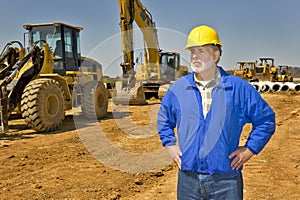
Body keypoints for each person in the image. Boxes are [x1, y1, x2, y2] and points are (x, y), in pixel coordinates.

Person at [157, 25, 276, 199]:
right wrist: (170, 145)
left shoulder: (239, 89)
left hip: (226, 181)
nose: (195, 56)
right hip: (188, 180)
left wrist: (250, 149)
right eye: (192, 52)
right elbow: (164, 120)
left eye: (201, 51)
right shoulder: (178, 89)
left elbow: (266, 120)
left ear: (216, 55)